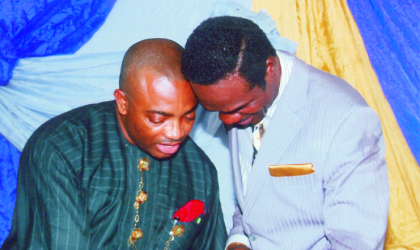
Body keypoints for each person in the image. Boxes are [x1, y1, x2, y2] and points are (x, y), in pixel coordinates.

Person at [181, 16, 389, 250]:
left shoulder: (347, 120)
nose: (228, 121)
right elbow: (255, 191)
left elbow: (357, 244)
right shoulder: (235, 96)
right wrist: (239, 241)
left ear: (269, 69)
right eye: (216, 110)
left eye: (239, 108)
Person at [1, 39, 227, 249]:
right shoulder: (61, 148)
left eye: (188, 116)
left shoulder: (200, 171)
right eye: (158, 119)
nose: (176, 132)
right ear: (123, 102)